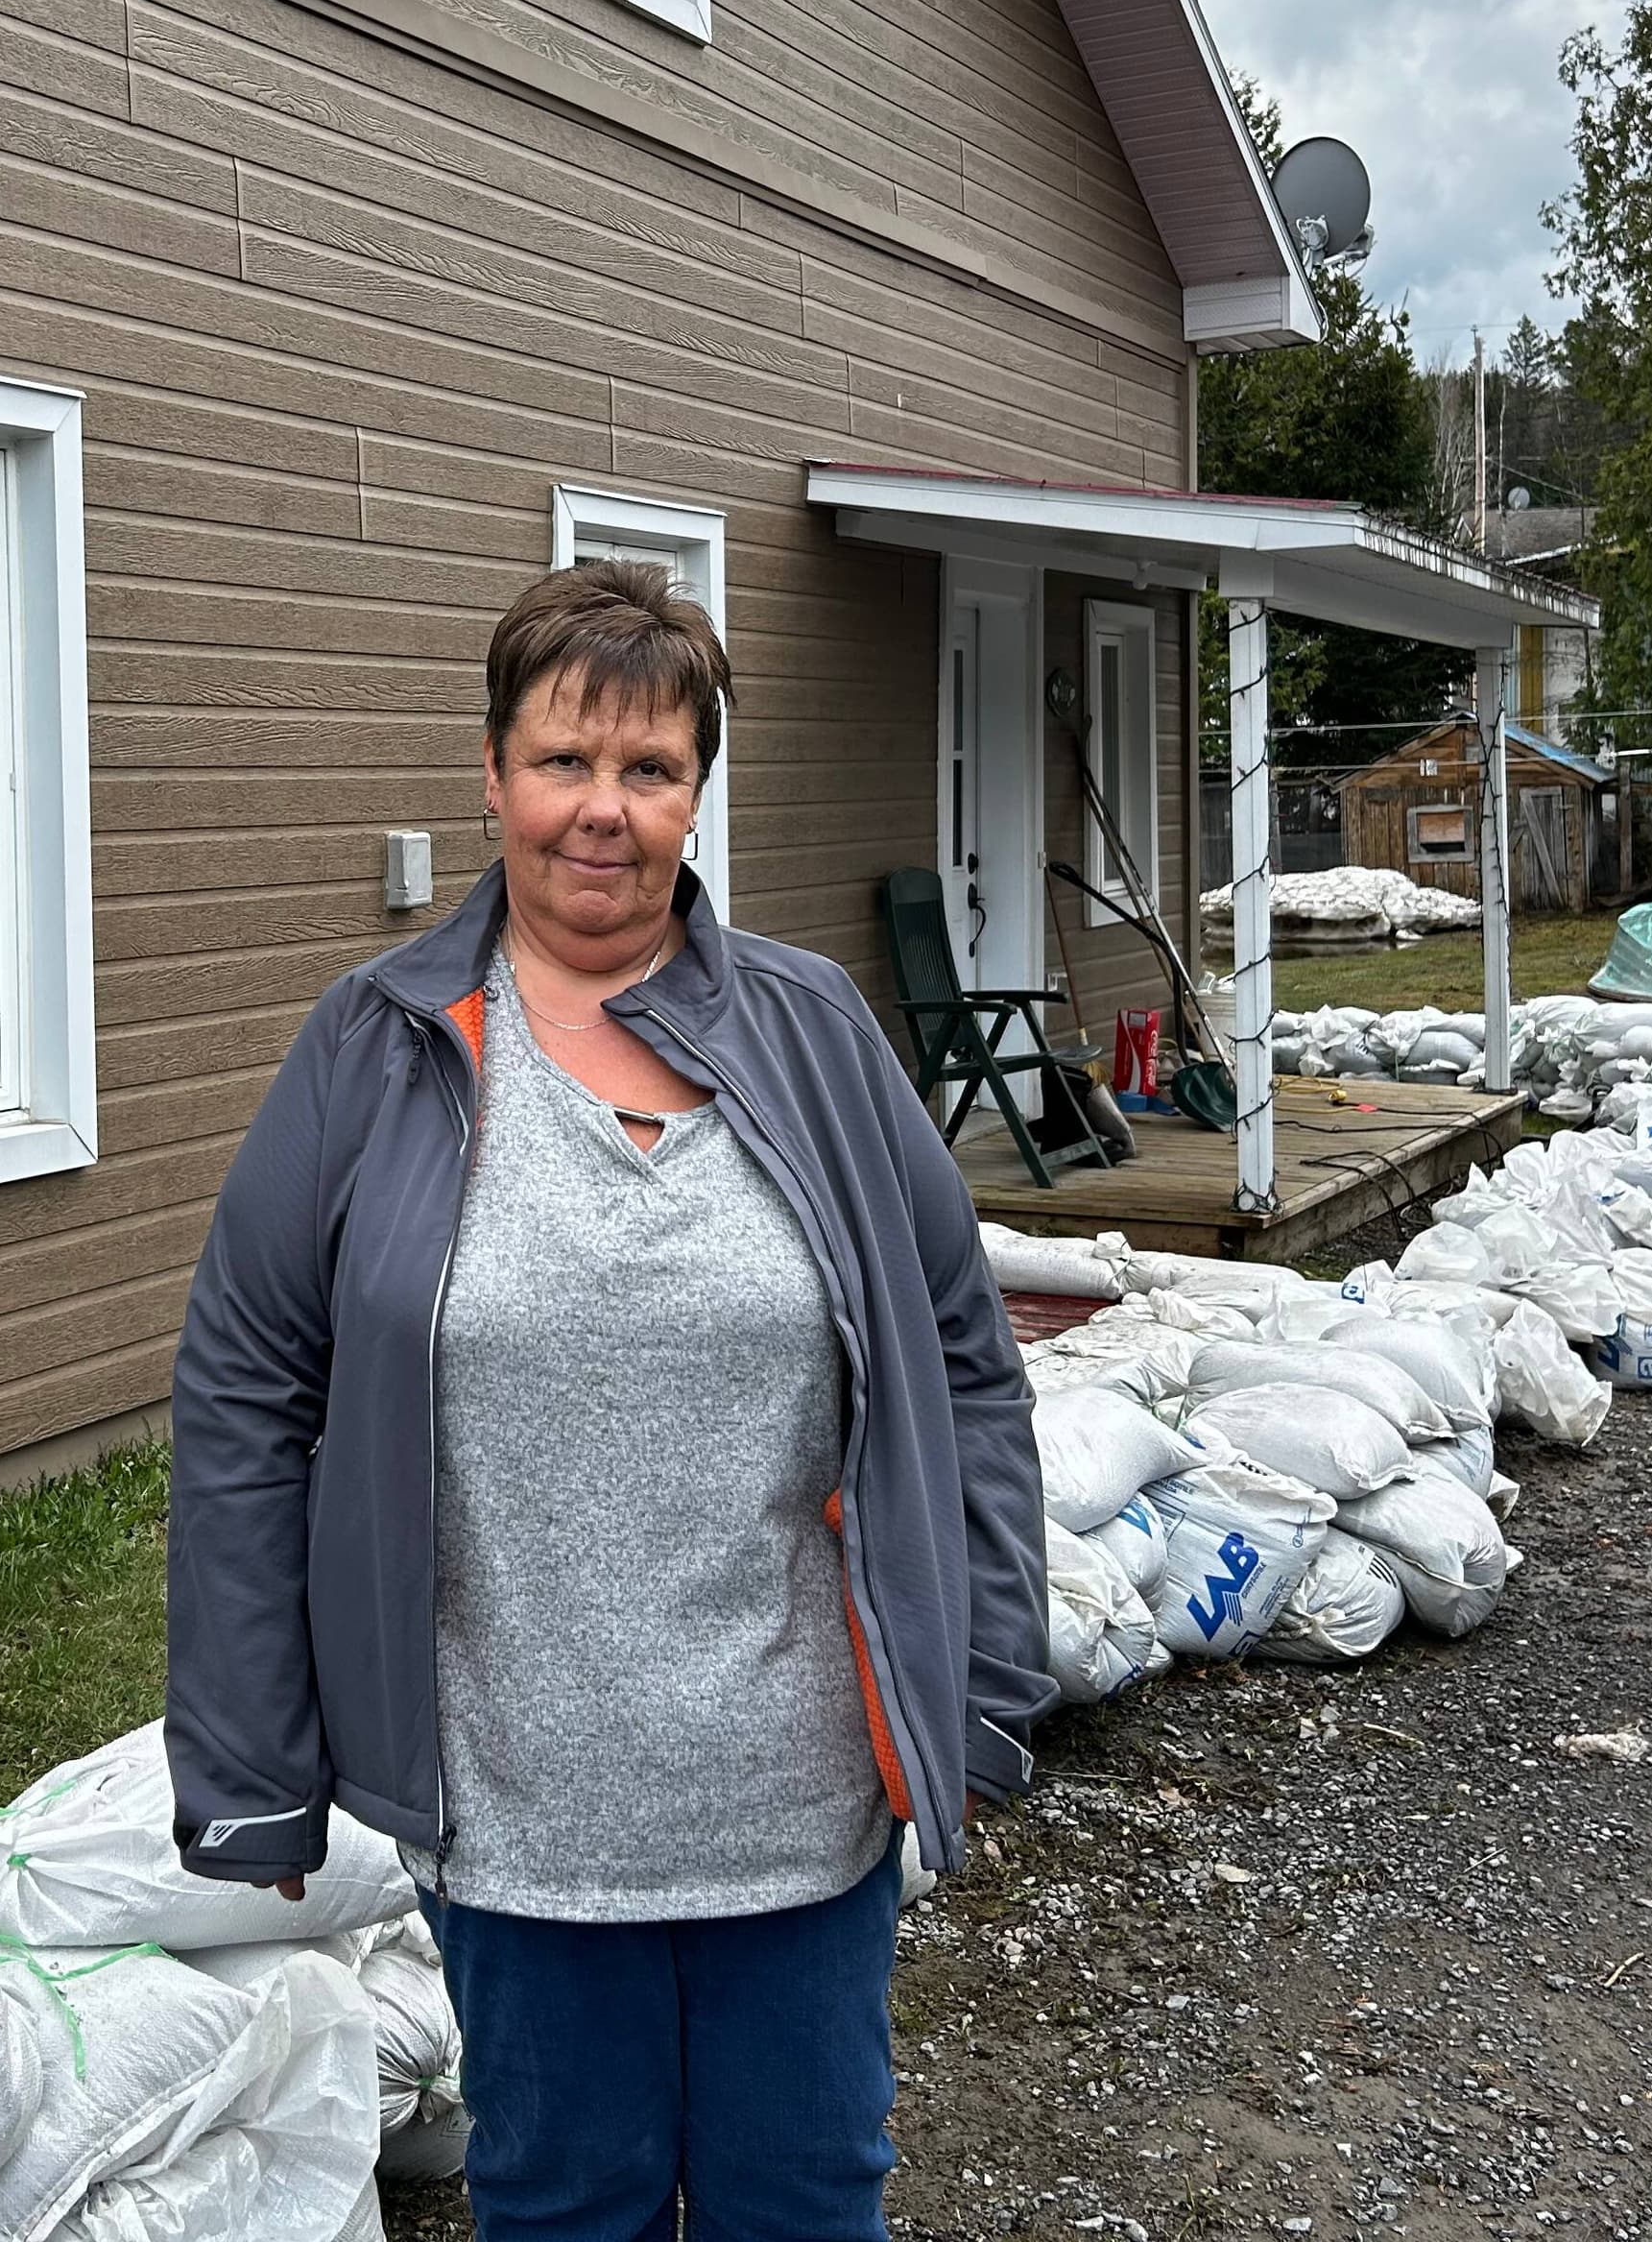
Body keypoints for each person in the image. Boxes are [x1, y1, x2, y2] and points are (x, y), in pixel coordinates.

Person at [164, 559, 1053, 2239]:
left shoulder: (814, 1033)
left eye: (649, 771)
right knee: (564, 2201)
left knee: (809, 2200)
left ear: (698, 795)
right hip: (516, 1812)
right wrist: (249, 1759)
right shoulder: (379, 1045)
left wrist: (988, 1672)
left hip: (799, 1802)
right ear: (493, 774)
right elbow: (246, 1400)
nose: (603, 812)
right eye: (565, 762)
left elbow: (959, 1353)